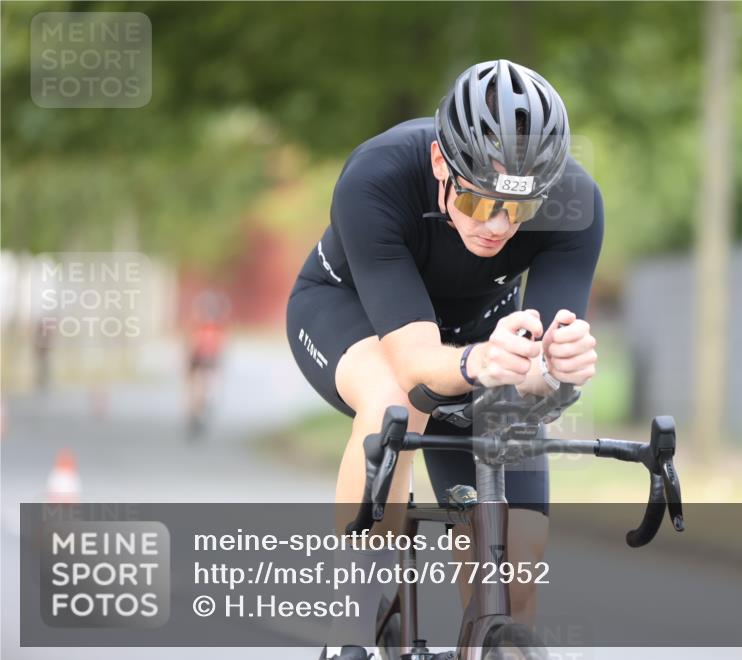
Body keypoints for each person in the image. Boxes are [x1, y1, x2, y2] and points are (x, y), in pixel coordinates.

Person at [286, 59, 603, 630]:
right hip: (350, 314)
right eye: (481, 202)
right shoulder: (376, 176)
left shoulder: (576, 202)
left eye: (521, 210)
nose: (500, 226)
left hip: (480, 334)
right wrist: (481, 360)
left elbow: (536, 379)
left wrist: (558, 371)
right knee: (394, 400)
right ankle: (352, 623)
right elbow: (415, 368)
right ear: (441, 163)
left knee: (514, 584)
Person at [186, 289, 229, 437]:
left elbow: (220, 347)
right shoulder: (200, 327)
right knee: (198, 389)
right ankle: (196, 414)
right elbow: (192, 345)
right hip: (200, 361)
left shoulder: (215, 328)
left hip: (208, 361)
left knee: (203, 389)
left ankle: (199, 412)